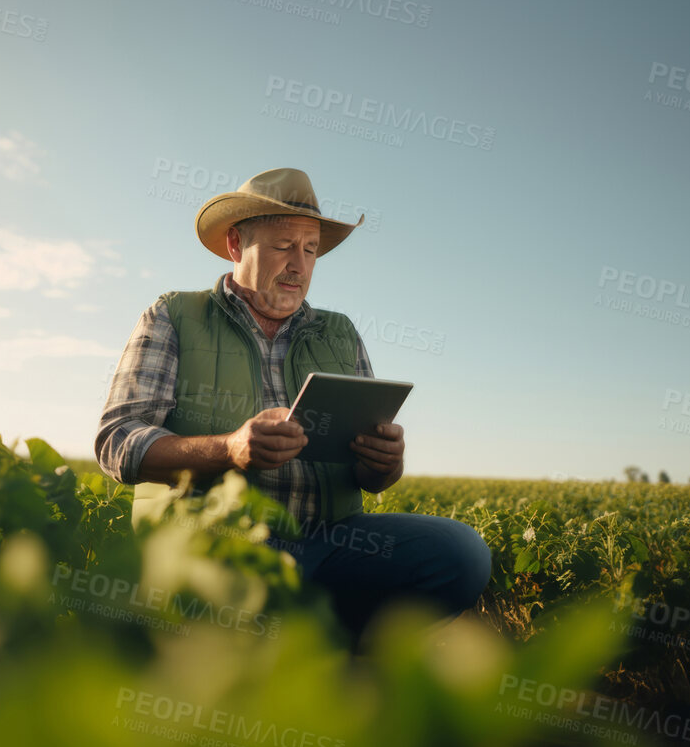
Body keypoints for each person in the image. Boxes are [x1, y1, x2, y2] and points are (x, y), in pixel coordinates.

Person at [95, 167, 491, 647]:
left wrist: (385, 464)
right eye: (284, 246)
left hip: (331, 541)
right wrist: (230, 449)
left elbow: (373, 480)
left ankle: (331, 647)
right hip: (218, 543)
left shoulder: (340, 332)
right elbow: (118, 441)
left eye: (310, 250)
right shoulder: (174, 315)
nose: (299, 265)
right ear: (236, 245)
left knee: (459, 553)